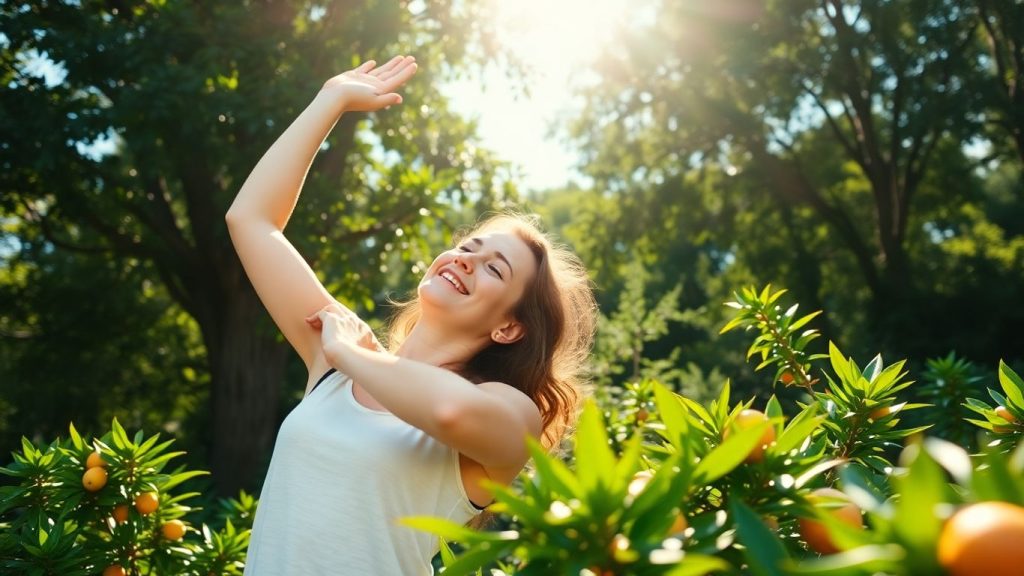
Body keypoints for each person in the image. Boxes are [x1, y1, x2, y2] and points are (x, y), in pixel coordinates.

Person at [226, 54, 596, 575]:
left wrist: (346, 353)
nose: (465, 259)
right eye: (470, 245)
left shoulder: (511, 411)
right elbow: (251, 220)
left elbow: (450, 414)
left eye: (494, 268)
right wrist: (329, 100)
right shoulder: (342, 359)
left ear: (508, 327)